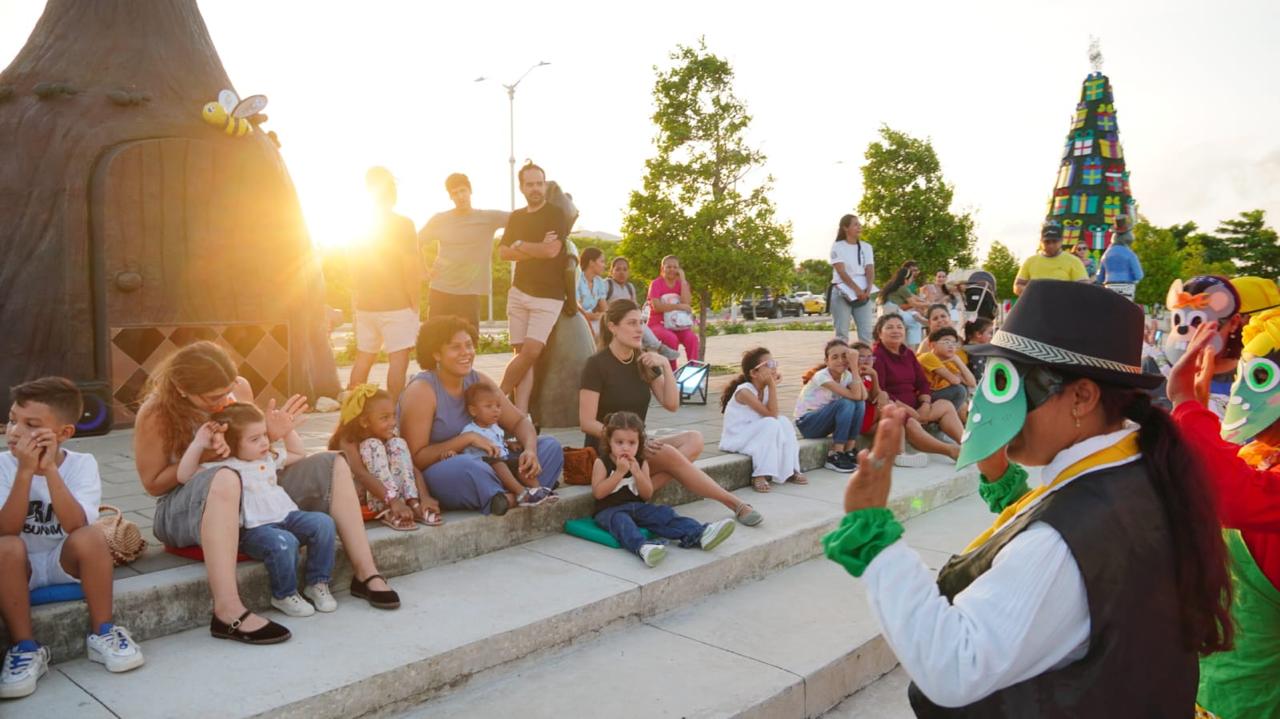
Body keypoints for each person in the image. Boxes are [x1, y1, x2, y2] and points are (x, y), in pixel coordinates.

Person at [823, 280, 1233, 715]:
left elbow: (955, 665)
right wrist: (1001, 478)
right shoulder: (1139, 467)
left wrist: (873, 536)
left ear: (1081, 397)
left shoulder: (1063, 542)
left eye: (1011, 383)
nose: (995, 405)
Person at [135, 341, 399, 647]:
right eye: (212, 397)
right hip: (186, 508)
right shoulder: (156, 412)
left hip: (253, 500)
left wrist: (272, 435)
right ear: (181, 388)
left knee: (334, 462)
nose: (223, 401)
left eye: (227, 391)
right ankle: (227, 611)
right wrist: (206, 454)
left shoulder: (240, 389)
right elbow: (153, 484)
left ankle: (366, 574)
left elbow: (256, 455)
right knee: (225, 477)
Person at [0, 378, 144, 699]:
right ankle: (25, 647)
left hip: (61, 560)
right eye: (12, 420)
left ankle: (104, 632)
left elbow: (75, 523)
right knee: (5, 546)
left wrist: (48, 470)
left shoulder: (82, 465)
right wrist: (25, 472)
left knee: (90, 536)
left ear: (64, 434)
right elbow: (6, 530)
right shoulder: (3, 466)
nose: (14, 431)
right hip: (16, 569)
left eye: (30, 425)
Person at [1167, 314, 1280, 718]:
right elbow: (1230, 470)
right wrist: (1196, 412)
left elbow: (1233, 492)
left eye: (1260, 378)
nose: (1238, 389)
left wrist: (1184, 406)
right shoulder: (1261, 456)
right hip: (1209, 686)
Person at [581, 299, 763, 526]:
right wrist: (629, 440)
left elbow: (671, 404)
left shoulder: (642, 360)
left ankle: (630, 491)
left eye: (641, 322)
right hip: (606, 449)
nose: (640, 329)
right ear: (613, 327)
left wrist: (666, 366)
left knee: (694, 439)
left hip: (636, 444)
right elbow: (587, 422)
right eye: (632, 323)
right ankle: (734, 503)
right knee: (668, 454)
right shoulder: (596, 364)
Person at [178, 403, 337, 618]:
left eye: (264, 434)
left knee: (323, 523)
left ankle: (317, 583)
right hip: (255, 530)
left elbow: (298, 453)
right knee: (284, 542)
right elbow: (185, 476)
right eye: (254, 439)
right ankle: (284, 594)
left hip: (288, 517)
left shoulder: (268, 457)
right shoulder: (225, 467)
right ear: (233, 444)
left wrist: (287, 429)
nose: (264, 441)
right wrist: (198, 443)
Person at [400, 316, 564, 517]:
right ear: (436, 354)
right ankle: (516, 495)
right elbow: (415, 458)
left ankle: (505, 496)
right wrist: (467, 440)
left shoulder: (478, 379)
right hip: (448, 470)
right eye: (455, 347)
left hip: (492, 463)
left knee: (550, 446)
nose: (466, 353)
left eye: (469, 345)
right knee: (468, 467)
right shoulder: (422, 390)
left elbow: (519, 421)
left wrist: (530, 450)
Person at [591, 411, 737, 568]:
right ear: (609, 441)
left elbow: (646, 494)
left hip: (637, 507)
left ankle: (699, 533)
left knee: (663, 514)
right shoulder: (602, 462)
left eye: (632, 443)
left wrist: (638, 474)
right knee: (623, 524)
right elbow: (599, 493)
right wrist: (619, 473)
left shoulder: (641, 463)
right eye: (619, 442)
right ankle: (643, 548)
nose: (625, 448)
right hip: (609, 511)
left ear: (640, 443)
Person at [497, 162, 572, 413]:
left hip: (548, 295)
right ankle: (520, 413)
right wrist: (533, 247)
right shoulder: (516, 217)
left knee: (531, 352)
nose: (536, 188)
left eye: (540, 183)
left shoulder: (555, 214)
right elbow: (503, 253)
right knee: (522, 356)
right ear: (522, 187)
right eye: (530, 184)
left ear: (545, 184)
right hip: (518, 292)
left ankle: (496, 399)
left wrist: (520, 244)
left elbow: (551, 251)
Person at [349, 166, 423, 401]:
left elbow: (352, 266)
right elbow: (410, 267)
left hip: (365, 304)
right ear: (392, 191)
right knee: (398, 361)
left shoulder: (358, 223)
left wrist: (356, 298)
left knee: (364, 358)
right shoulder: (403, 224)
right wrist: (416, 304)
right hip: (396, 304)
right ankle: (394, 414)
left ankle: (350, 414)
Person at [329, 385, 436, 530]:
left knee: (397, 443)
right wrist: (392, 501)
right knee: (372, 445)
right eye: (384, 418)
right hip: (361, 497)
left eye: (393, 415)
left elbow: (412, 469)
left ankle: (412, 503)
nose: (392, 422)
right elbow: (361, 475)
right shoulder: (347, 439)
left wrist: (424, 496)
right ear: (364, 422)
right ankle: (390, 509)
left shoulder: (388, 435)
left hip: (392, 497)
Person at [419, 173, 510, 328]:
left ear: (470, 191)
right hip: (441, 289)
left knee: (469, 340)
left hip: (469, 293)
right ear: (450, 197)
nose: (460, 196)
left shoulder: (488, 218)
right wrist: (423, 269)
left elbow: (520, 219)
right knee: (435, 341)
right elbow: (415, 241)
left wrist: (511, 244)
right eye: (455, 193)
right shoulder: (440, 219)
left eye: (463, 191)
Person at [872, 314, 964, 456]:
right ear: (880, 333)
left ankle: (966, 445)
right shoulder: (877, 356)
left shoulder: (908, 353)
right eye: (889, 327)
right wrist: (909, 410)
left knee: (946, 405)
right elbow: (880, 391)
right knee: (910, 422)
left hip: (917, 406)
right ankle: (949, 451)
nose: (895, 331)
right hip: (894, 406)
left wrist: (925, 404)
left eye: (899, 327)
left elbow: (922, 382)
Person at [719, 347, 806, 493]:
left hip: (755, 433)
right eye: (768, 365)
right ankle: (759, 474)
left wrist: (770, 387)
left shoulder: (764, 389)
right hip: (737, 437)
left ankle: (791, 469)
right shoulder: (745, 391)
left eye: (774, 364)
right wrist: (772, 386)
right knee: (772, 422)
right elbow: (771, 414)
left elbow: (775, 415)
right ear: (754, 373)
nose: (774, 368)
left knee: (783, 421)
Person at [460, 382, 557, 512]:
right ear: (473, 410)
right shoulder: (470, 430)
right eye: (489, 406)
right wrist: (451, 453)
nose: (496, 410)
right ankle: (522, 493)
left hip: (504, 461)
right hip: (485, 466)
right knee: (498, 464)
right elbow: (462, 447)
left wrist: (509, 444)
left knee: (523, 467)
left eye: (498, 406)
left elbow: (498, 440)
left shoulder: (495, 427)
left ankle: (539, 491)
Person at [796, 339, 867, 472]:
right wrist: (854, 369)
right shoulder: (821, 376)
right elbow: (856, 395)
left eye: (845, 356)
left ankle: (849, 450)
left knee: (860, 404)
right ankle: (835, 454)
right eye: (835, 357)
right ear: (827, 361)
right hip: (807, 424)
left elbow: (863, 397)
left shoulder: (846, 375)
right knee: (846, 403)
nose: (841, 360)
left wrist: (854, 368)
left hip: (824, 422)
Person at [603, 257, 678, 360]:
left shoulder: (629, 287)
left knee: (640, 324)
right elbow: (602, 305)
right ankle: (659, 348)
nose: (622, 273)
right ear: (611, 271)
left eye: (625, 270)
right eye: (618, 269)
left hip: (629, 320)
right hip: (613, 320)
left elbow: (634, 306)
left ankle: (653, 351)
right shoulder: (607, 284)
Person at [829, 214, 877, 343]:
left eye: (859, 224)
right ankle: (842, 361)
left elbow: (870, 268)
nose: (859, 226)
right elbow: (841, 271)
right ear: (845, 228)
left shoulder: (866, 247)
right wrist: (856, 290)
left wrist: (868, 289)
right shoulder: (838, 246)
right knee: (842, 334)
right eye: (855, 224)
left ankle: (866, 362)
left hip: (863, 290)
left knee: (866, 333)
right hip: (843, 291)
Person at [647, 255, 699, 368]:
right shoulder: (656, 284)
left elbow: (687, 303)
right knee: (671, 339)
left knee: (692, 339)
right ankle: (672, 374)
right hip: (658, 324)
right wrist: (678, 306)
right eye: (668, 267)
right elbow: (657, 307)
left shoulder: (681, 283)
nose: (672, 269)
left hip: (678, 324)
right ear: (662, 269)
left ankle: (693, 372)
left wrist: (684, 280)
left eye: (675, 267)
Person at [917, 327, 976, 422]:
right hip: (920, 396)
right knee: (959, 390)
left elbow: (972, 383)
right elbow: (955, 381)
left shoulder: (947, 362)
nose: (951, 346)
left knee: (962, 390)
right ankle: (940, 423)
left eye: (954, 343)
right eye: (946, 342)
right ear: (932, 345)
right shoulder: (928, 357)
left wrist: (958, 361)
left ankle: (942, 422)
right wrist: (956, 366)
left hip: (931, 395)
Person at [1013, 221, 1087, 296]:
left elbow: (1085, 289)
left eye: (1054, 241)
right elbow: (1017, 286)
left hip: (1064, 305)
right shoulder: (1030, 261)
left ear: (1061, 241)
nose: (1051, 245)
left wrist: (1060, 292)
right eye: (1047, 242)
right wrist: (1036, 292)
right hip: (1037, 306)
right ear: (1041, 242)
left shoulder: (1074, 261)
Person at [878, 262, 929, 346]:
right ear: (906, 279)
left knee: (912, 316)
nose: (912, 280)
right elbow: (914, 303)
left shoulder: (893, 285)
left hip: (887, 311)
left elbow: (914, 297)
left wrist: (925, 302)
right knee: (914, 324)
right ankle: (912, 350)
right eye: (911, 278)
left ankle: (921, 320)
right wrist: (929, 305)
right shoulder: (902, 288)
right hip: (894, 312)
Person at [1096, 223, 1143, 300]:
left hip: (1109, 286)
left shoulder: (1106, 255)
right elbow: (1139, 275)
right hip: (1127, 286)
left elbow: (1099, 277)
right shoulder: (1130, 254)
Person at [575, 247, 609, 338]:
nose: (604, 265)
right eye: (602, 261)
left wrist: (604, 315)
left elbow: (605, 309)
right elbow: (577, 309)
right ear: (591, 263)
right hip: (577, 321)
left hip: (593, 320)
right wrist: (592, 316)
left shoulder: (600, 282)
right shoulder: (577, 279)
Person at [962, 317, 994, 386]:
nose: (991, 336)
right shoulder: (977, 351)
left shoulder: (967, 348)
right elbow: (979, 374)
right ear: (978, 334)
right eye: (990, 333)